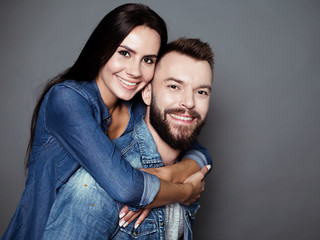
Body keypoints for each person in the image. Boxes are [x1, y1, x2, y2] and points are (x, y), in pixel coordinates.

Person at [2, 4, 211, 240]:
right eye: (125, 53)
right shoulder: (67, 100)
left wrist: (166, 174)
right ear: (103, 48)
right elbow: (128, 188)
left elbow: (197, 150)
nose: (134, 71)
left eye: (148, 60)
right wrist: (184, 191)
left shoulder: (136, 104)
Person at [42, 37, 215, 240]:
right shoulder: (95, 187)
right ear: (148, 94)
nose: (189, 103)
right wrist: (181, 191)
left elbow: (202, 155)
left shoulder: (191, 171)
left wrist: (171, 176)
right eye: (174, 87)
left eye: (201, 92)